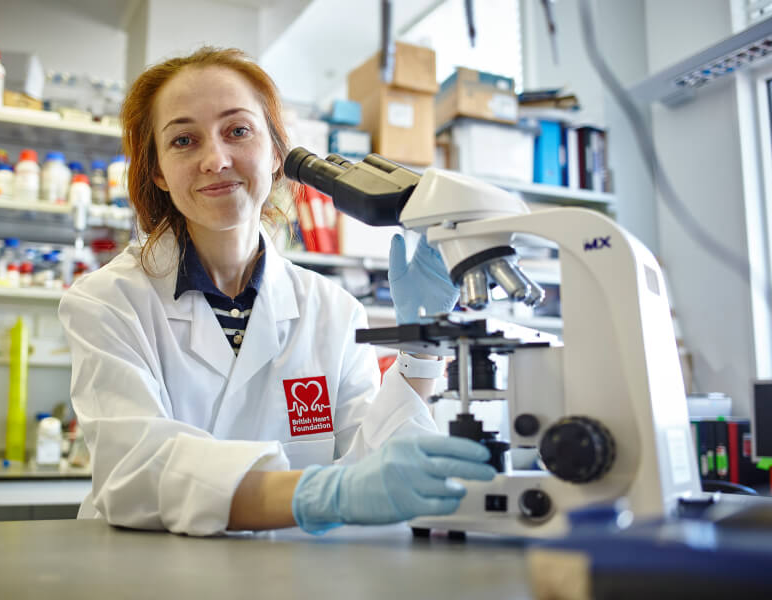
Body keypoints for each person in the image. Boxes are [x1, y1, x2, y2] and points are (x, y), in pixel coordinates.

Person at [58, 46, 495, 537]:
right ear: (157, 170)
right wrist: (321, 494)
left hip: (293, 577)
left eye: (237, 131)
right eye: (183, 140)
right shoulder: (107, 302)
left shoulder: (332, 310)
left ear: (275, 153)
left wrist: (422, 344)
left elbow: (374, 471)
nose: (216, 160)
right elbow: (135, 471)